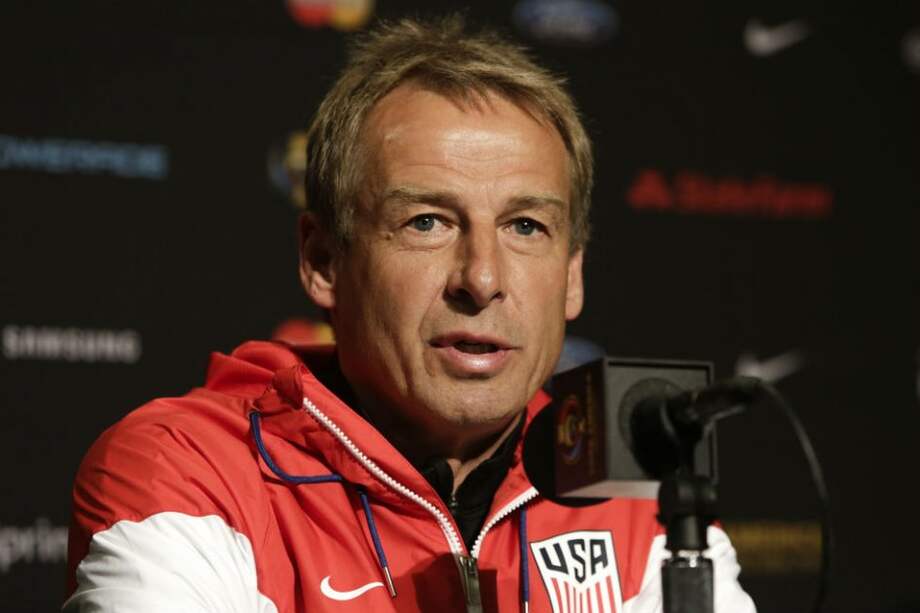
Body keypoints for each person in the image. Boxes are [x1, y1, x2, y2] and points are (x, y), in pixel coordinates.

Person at [64, 16, 755, 613]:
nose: (482, 278)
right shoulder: (190, 470)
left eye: (525, 227)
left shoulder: (638, 495)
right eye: (427, 222)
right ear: (324, 260)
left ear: (572, 275)